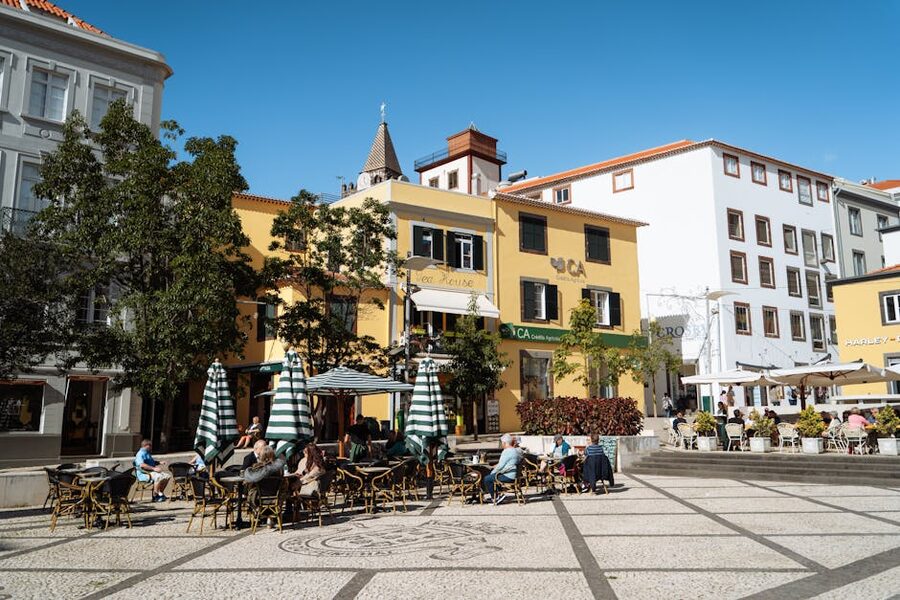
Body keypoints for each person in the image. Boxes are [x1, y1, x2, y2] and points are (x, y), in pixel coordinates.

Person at [482, 433, 522, 504]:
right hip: (513, 474)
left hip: (508, 475)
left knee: (487, 479)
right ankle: (499, 494)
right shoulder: (515, 451)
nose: (501, 444)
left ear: (504, 442)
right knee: (491, 477)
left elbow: (500, 466)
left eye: (502, 443)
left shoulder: (507, 451)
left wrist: (492, 472)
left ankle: (496, 497)